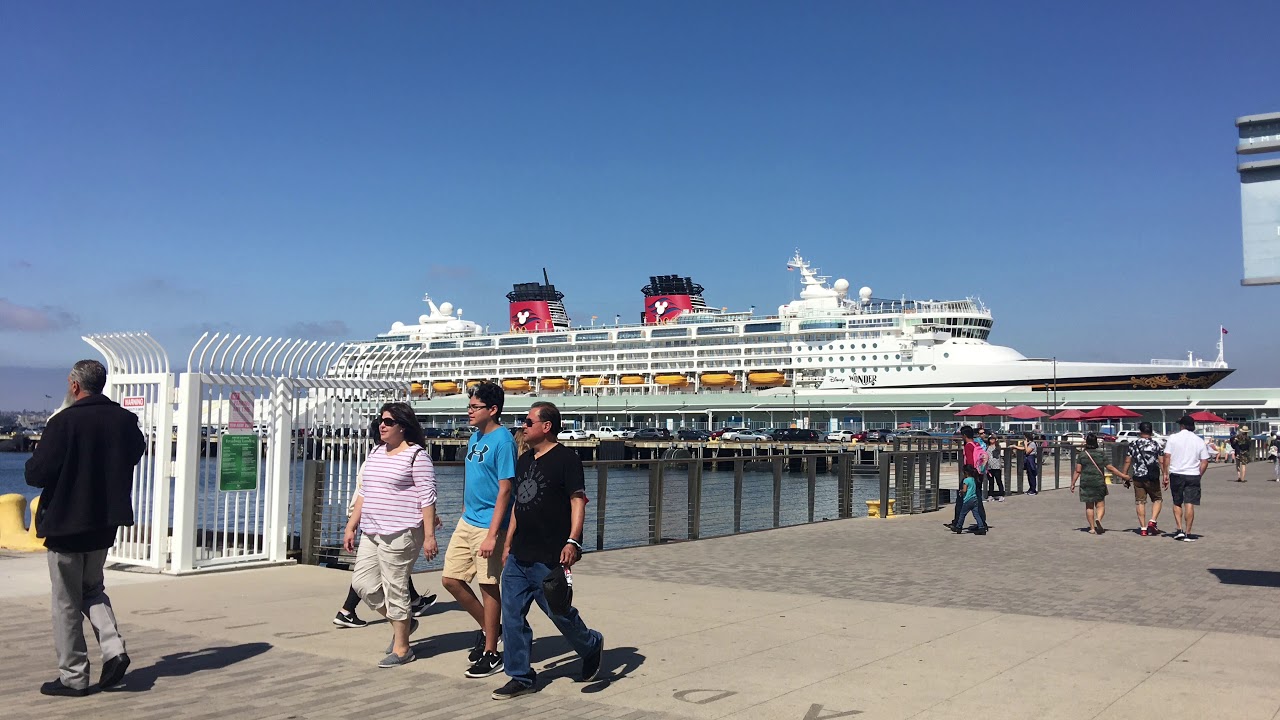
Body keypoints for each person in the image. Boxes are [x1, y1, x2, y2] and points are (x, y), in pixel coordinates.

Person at [24, 360, 146, 696]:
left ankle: (74, 676)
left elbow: (36, 474)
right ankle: (114, 649)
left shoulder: (63, 423)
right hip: (104, 524)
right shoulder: (125, 421)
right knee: (92, 589)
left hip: (66, 525)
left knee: (66, 600)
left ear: (75, 386)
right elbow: (135, 453)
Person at [493, 401, 604, 700]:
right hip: (518, 555)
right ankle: (520, 676)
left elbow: (577, 501)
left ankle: (591, 645)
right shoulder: (524, 460)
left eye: (528, 421)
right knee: (512, 616)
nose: (523, 426)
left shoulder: (567, 459)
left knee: (559, 613)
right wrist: (507, 543)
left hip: (550, 555)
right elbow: (519, 503)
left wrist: (573, 541)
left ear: (547, 426)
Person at [344, 402, 438, 667]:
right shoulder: (376, 452)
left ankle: (402, 648)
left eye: (388, 422)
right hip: (371, 530)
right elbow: (364, 493)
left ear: (403, 427)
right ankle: (404, 624)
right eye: (380, 421)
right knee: (363, 584)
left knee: (395, 587)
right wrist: (351, 525)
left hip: (402, 532)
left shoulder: (417, 456)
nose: (381, 426)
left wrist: (429, 536)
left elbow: (428, 498)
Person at [443, 382, 516, 679]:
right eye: (469, 406)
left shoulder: (504, 441)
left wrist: (492, 534)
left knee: (488, 585)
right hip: (468, 520)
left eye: (475, 407)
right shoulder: (475, 437)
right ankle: (491, 629)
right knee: (451, 580)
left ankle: (491, 652)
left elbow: (506, 489)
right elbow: (472, 475)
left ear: (493, 409)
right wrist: (464, 504)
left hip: (489, 524)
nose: (469, 411)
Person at [1162, 415, 1211, 542]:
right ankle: (1188, 532)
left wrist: (1165, 474)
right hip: (1193, 474)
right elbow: (1205, 461)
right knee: (1189, 503)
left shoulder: (1173, 438)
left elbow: (1167, 456)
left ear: (1182, 426)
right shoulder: (1199, 440)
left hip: (1176, 473)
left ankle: (1179, 529)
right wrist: (1199, 474)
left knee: (1177, 502)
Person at [1115, 422, 1163, 536]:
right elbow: (1161, 461)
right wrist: (1165, 474)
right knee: (1157, 499)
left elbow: (1128, 461)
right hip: (1152, 476)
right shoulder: (1156, 444)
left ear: (1140, 431)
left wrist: (1124, 475)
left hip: (1138, 476)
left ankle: (1143, 528)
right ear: (1151, 431)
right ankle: (1152, 521)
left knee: (1140, 501)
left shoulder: (1133, 444)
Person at [1070, 433, 1122, 534]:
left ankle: (1092, 528)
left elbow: (1078, 470)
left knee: (1089, 506)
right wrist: (1122, 476)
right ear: (1096, 442)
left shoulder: (1082, 455)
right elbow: (1109, 467)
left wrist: (1073, 483)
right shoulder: (1101, 453)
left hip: (1086, 482)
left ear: (1086, 442)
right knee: (1100, 504)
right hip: (1098, 481)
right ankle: (1098, 518)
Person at [946, 426, 988, 531]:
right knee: (977, 499)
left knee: (961, 499)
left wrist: (967, 475)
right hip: (978, 475)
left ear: (964, 435)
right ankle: (982, 523)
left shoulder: (969, 446)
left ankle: (957, 523)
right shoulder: (976, 444)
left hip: (970, 476)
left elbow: (970, 462)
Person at [951, 465, 988, 535]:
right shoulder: (974, 479)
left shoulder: (966, 480)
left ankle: (958, 527)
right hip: (974, 499)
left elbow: (965, 490)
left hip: (967, 500)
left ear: (965, 472)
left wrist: (961, 491)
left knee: (962, 514)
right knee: (976, 515)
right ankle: (981, 527)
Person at [984, 434, 1006, 501]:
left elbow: (996, 452)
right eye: (990, 439)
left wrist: (996, 440)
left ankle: (1001, 494)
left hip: (997, 466)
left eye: (993, 438)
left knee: (998, 481)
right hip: (989, 467)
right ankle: (990, 495)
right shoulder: (987, 447)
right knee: (991, 482)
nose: (991, 440)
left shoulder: (997, 446)